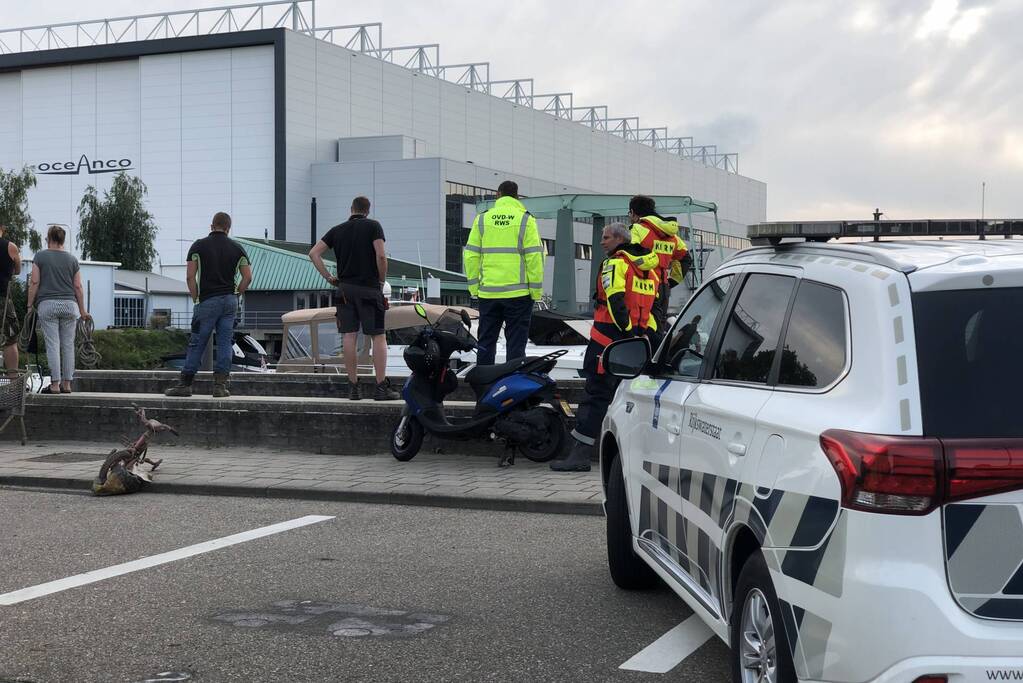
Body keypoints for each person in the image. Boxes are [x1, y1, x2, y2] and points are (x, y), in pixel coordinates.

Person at [549, 223, 658, 472]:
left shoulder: (615, 264)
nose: (602, 242)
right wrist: (643, 337)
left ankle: (579, 455)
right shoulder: (649, 271)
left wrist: (627, 333)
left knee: (595, 396)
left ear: (620, 239)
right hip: (637, 344)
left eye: (606, 237)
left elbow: (614, 300)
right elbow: (651, 311)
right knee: (630, 398)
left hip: (607, 342)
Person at [309, 196, 399, 401]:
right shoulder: (374, 227)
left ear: (351, 209)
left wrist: (329, 277)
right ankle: (380, 388)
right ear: (367, 210)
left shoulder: (337, 230)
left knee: (349, 336)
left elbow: (314, 253)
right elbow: (381, 256)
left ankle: (353, 387)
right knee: (378, 336)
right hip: (369, 288)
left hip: (344, 290)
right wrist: (381, 281)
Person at [165, 212, 252, 398]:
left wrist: (197, 298)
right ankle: (220, 387)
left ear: (212, 226)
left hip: (207, 300)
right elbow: (247, 277)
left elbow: (190, 276)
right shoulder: (238, 249)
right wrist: (237, 293)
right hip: (229, 301)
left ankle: (185, 385)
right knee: (225, 343)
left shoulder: (198, 246)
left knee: (197, 343)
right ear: (228, 228)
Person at [463, 180, 544, 365]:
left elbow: (471, 255)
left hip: (488, 292)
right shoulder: (526, 219)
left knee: (486, 342)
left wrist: (474, 288)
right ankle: (512, 388)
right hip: (519, 294)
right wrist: (535, 292)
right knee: (516, 344)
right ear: (517, 196)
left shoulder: (482, 218)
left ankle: (484, 387)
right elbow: (534, 258)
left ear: (497, 194)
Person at [27, 225, 91, 394]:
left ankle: (54, 385)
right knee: (68, 345)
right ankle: (67, 384)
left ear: (49, 238)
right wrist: (83, 311)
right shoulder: (72, 259)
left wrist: (29, 305)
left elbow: (34, 282)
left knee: (53, 345)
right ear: (63, 240)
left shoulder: (40, 256)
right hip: (70, 306)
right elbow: (78, 286)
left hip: (47, 305)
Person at [629, 195, 690, 345]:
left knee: (641, 328)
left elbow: (630, 255)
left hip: (644, 288)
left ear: (633, 212)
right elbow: (685, 259)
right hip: (663, 289)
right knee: (659, 327)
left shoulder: (638, 229)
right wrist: (670, 282)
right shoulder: (672, 236)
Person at [0, 224, 23, 376]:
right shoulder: (11, 247)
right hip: (3, 299)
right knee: (10, 341)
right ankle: (13, 380)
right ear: (2, 228)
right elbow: (18, 270)